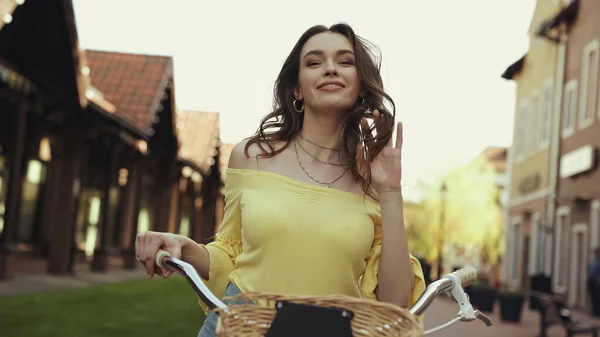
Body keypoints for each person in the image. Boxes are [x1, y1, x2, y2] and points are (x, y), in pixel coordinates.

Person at [135, 22, 426, 337]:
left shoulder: (374, 177)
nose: (330, 69)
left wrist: (392, 192)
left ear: (360, 86)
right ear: (298, 89)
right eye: (314, 62)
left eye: (345, 61)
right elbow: (231, 251)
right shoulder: (252, 156)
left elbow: (395, 301)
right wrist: (182, 246)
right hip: (240, 327)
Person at [588, 247, 600, 316]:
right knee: (592, 297)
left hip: (597, 281)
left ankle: (597, 313)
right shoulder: (592, 262)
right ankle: (594, 311)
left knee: (597, 297)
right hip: (591, 280)